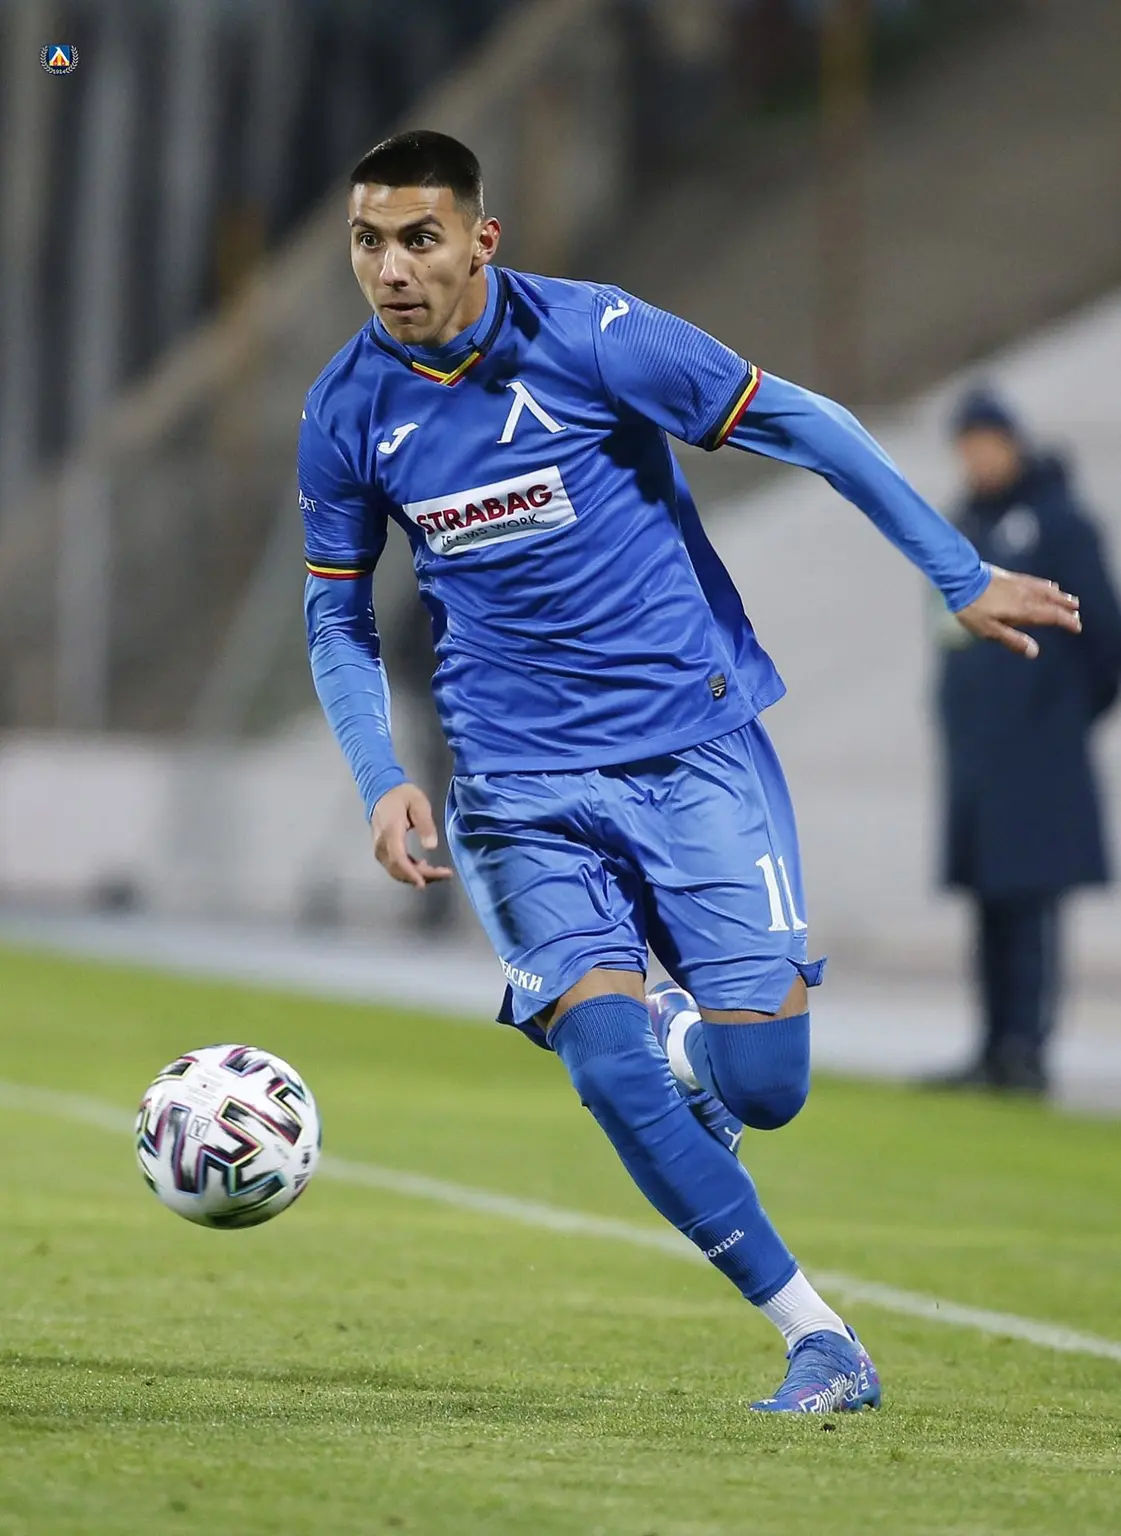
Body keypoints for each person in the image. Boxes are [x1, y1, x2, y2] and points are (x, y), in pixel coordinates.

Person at [298, 132, 1080, 1413]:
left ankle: (684, 1044)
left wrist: (957, 573)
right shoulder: (345, 410)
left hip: (690, 749)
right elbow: (335, 616)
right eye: (367, 242)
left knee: (764, 1088)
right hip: (514, 789)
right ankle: (818, 1340)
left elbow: (805, 424)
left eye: (418, 239)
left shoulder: (597, 339)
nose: (390, 269)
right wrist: (380, 771)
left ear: (480, 241)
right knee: (606, 1064)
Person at [930, 387, 1121, 1095]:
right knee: (989, 901)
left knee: (1031, 902)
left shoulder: (1059, 523)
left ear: (1012, 442)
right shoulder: (962, 527)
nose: (976, 458)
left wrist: (1058, 719)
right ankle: (990, 1045)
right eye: (966, 446)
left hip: (1040, 754)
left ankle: (1027, 1051)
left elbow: (1104, 637)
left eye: (986, 442)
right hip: (979, 755)